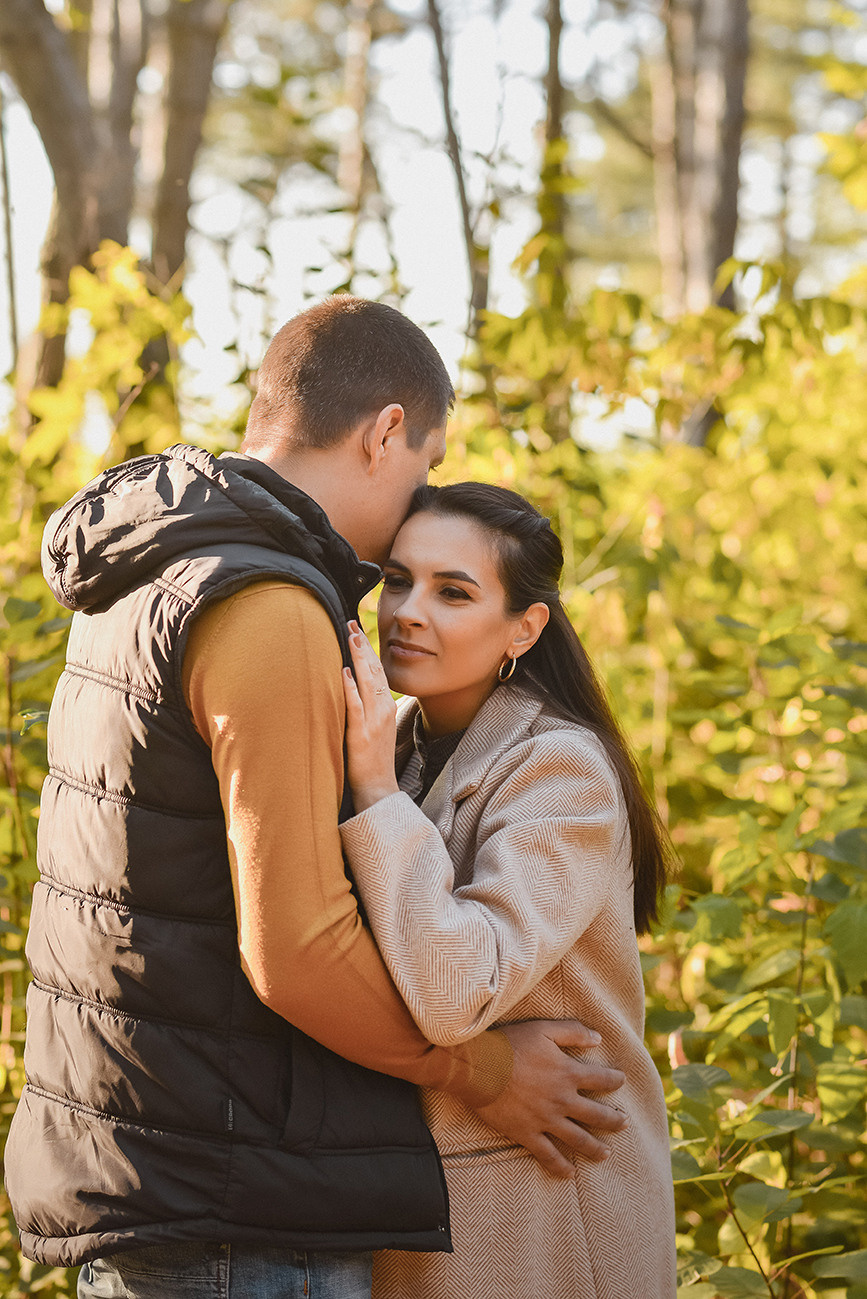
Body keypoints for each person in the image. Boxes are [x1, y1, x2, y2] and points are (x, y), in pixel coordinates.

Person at [5, 297, 628, 1299]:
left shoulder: (145, 572)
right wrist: (488, 1075)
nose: (414, 506)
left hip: (163, 1166)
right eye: (423, 466)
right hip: (237, 1198)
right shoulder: (268, 602)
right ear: (388, 433)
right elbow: (296, 949)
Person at [339, 481, 677, 1299]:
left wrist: (376, 793)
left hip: (545, 1207)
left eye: (453, 591)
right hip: (435, 1204)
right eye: (396, 579)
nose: (408, 611)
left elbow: (456, 986)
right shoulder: (409, 742)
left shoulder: (558, 768)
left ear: (523, 628)